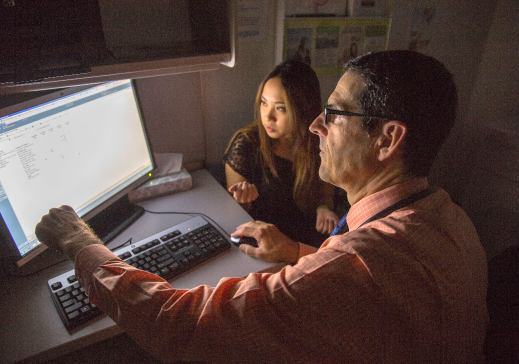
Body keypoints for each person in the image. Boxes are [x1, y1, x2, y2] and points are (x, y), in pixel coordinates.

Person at [36, 50, 488, 363]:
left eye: (334, 114)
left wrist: (78, 240)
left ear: (387, 138)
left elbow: (174, 323)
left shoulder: (355, 266)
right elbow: (377, 288)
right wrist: (296, 252)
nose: (315, 126)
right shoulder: (451, 219)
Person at [223, 59, 340, 247]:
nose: (267, 116)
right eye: (263, 103)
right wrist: (244, 200)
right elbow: (236, 218)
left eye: (280, 108)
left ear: (302, 109)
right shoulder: (245, 144)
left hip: (304, 241)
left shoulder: (317, 143)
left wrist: (324, 209)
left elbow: (325, 192)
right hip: (265, 243)